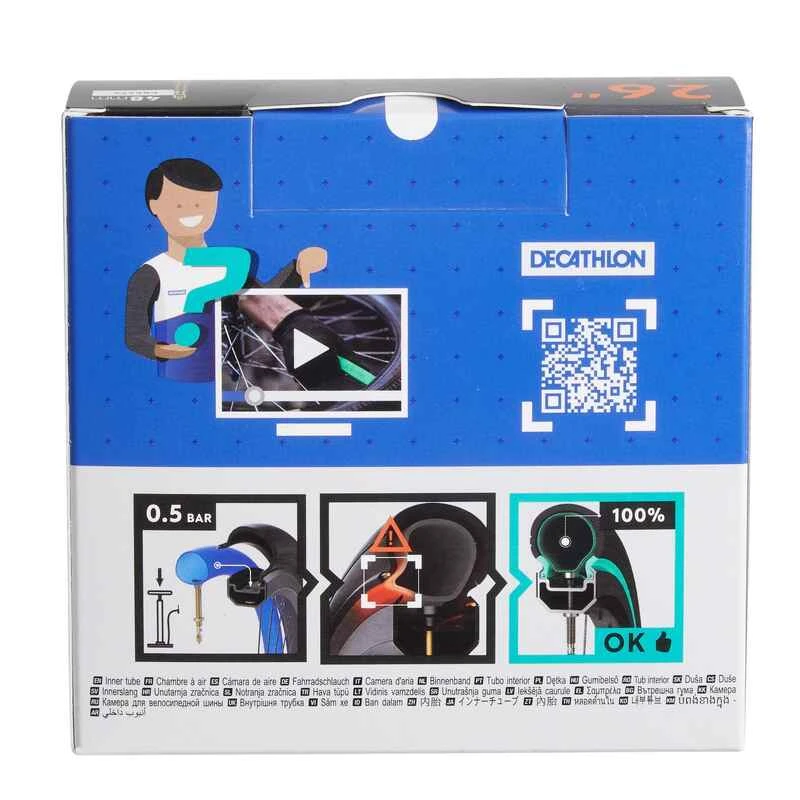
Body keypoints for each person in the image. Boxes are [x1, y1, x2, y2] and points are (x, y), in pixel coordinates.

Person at [125, 157, 328, 381]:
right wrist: (160, 350)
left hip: (229, 378)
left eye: (201, 204)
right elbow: (134, 335)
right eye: (179, 205)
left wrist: (298, 269)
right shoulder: (151, 272)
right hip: (178, 377)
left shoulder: (227, 267)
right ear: (154, 205)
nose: (192, 212)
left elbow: (262, 298)